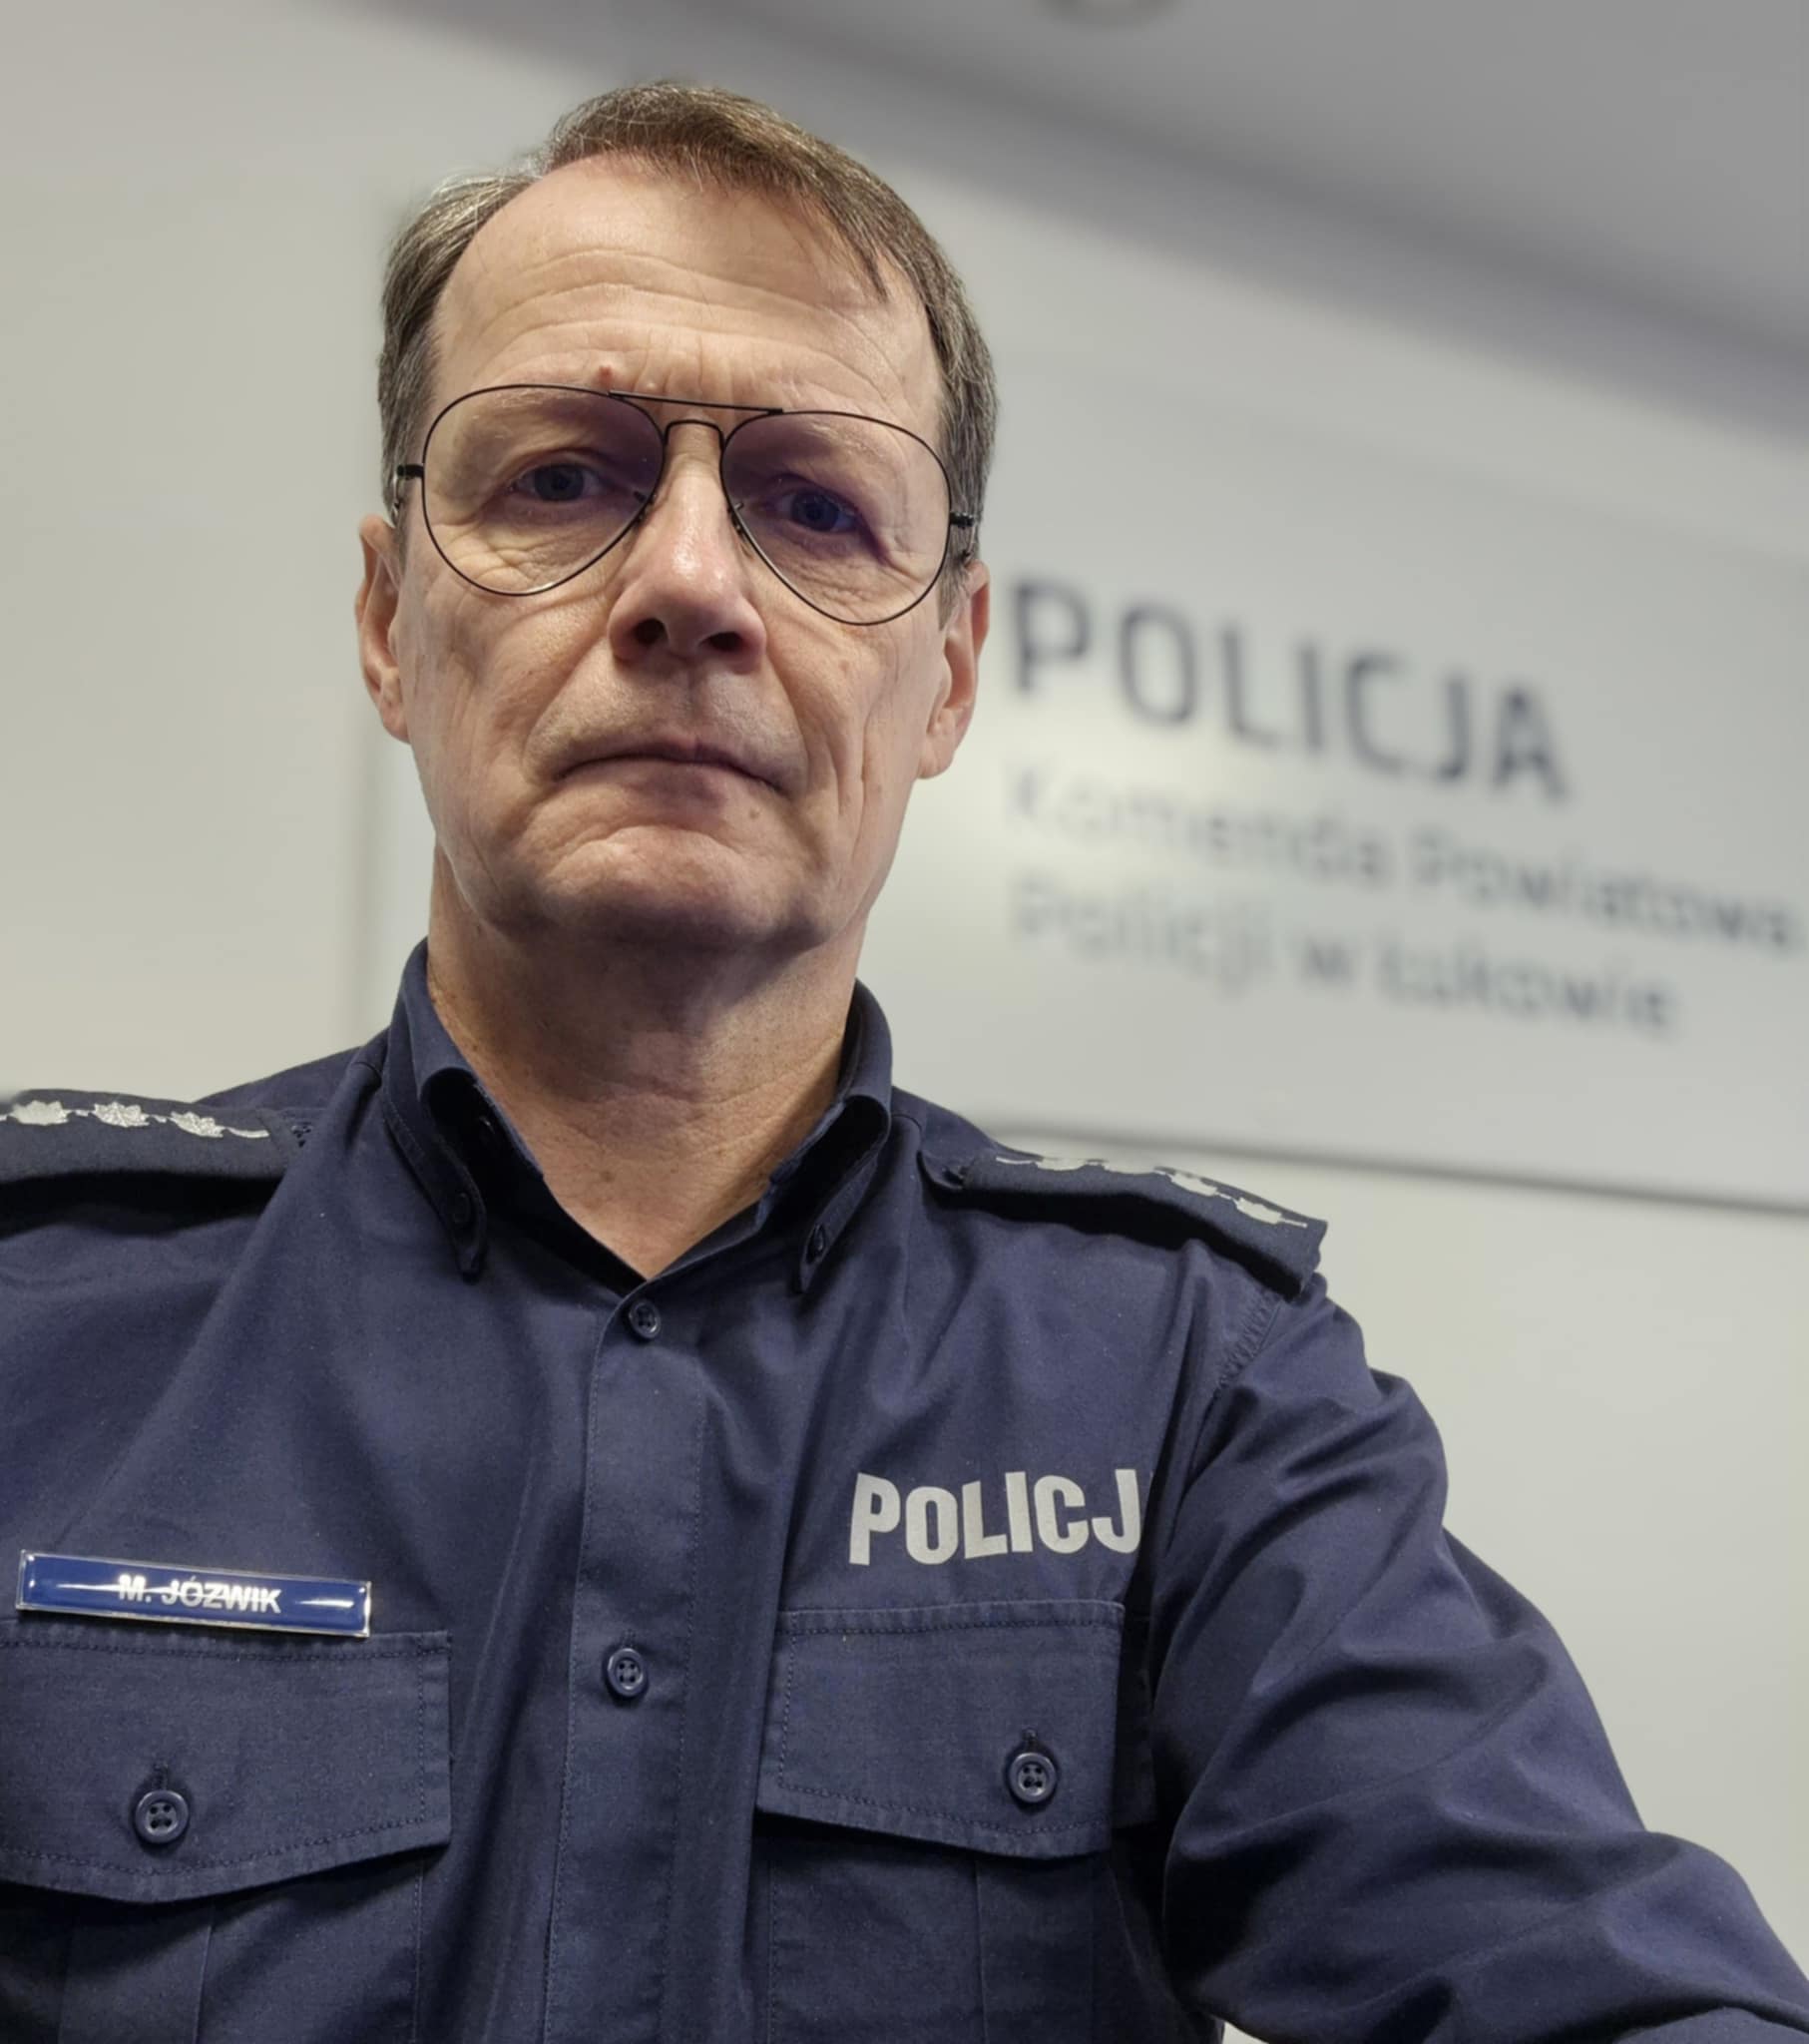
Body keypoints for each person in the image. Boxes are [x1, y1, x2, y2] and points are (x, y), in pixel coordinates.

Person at [0, 81, 1804, 2044]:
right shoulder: (40, 1310)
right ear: (385, 621)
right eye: (563, 478)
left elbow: (1582, 1981)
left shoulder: (1192, 1381)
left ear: (946, 671)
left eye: (815, 506)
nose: (689, 584)